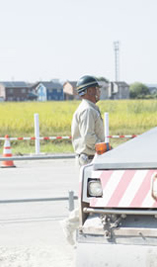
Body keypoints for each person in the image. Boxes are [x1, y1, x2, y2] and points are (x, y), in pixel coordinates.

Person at [60, 75, 105, 246]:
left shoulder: (90, 108)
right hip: (88, 158)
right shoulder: (87, 110)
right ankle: (70, 224)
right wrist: (105, 147)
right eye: (96, 89)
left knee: (92, 198)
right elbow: (88, 138)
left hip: (91, 157)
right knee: (89, 199)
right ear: (88, 91)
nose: (98, 92)